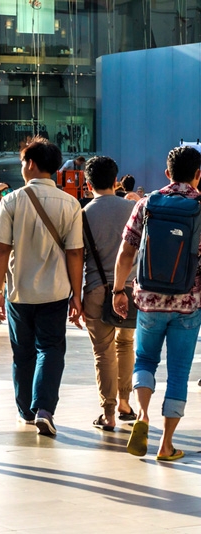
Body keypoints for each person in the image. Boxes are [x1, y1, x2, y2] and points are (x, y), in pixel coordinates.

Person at [0, 136, 84, 437]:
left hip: (20, 292)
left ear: (30, 163)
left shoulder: (12, 201)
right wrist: (76, 296)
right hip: (55, 292)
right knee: (51, 348)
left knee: (23, 352)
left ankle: (26, 412)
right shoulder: (71, 204)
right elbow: (76, 253)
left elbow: (0, 250)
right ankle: (44, 408)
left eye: (22, 162)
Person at [113, 145, 201, 461]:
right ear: (198, 175)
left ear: (167, 174)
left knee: (145, 360)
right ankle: (166, 445)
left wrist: (117, 290)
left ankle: (142, 415)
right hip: (188, 304)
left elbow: (126, 253)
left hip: (148, 300)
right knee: (178, 372)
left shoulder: (147, 204)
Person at [81, 156, 137, 431]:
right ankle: (126, 402)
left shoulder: (83, 214)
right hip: (130, 289)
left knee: (103, 352)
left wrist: (74, 297)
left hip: (96, 289)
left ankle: (109, 413)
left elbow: (77, 257)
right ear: (116, 182)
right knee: (126, 344)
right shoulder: (134, 209)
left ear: (87, 183)